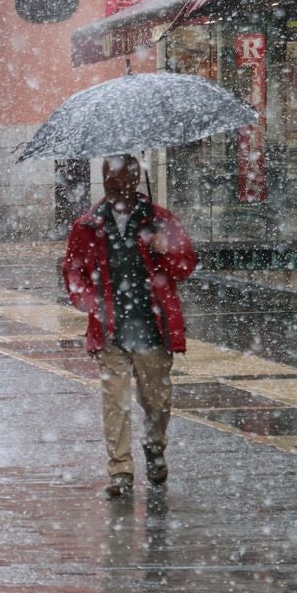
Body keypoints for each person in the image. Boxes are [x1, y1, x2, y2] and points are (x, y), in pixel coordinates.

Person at [62, 154, 197, 499]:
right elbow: (73, 270)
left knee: (157, 401)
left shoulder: (160, 220)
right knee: (115, 402)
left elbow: (186, 265)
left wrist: (165, 251)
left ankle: (154, 446)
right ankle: (120, 469)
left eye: (121, 183)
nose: (115, 190)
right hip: (110, 332)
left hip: (153, 328)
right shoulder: (88, 225)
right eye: (109, 183)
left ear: (136, 183)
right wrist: (90, 302)